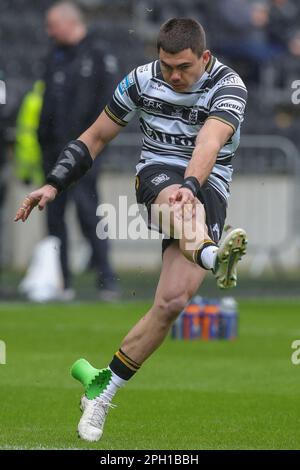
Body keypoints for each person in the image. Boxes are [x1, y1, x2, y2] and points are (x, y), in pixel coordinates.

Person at [15, 18, 248, 442]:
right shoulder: (140, 81)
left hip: (207, 181)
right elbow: (95, 137)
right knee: (180, 205)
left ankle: (101, 388)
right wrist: (53, 182)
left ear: (205, 58)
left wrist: (193, 186)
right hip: (156, 176)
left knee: (173, 301)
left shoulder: (229, 85)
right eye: (166, 66)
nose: (174, 75)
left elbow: (208, 144)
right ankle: (216, 256)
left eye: (183, 67)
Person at [38, 1, 117, 300]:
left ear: (68, 23)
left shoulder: (97, 54)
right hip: (53, 152)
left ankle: (107, 279)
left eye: (52, 25)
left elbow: (108, 108)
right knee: (54, 219)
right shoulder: (54, 57)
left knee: (88, 214)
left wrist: (93, 148)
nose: (49, 32)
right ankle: (62, 282)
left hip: (85, 154)